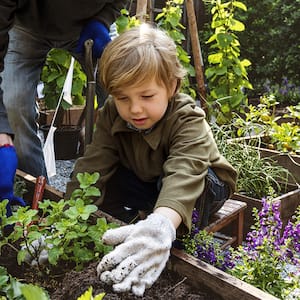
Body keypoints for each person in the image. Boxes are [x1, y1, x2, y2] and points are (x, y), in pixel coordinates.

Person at [65, 23, 237, 296]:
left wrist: (162, 226)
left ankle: (167, 235)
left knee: (193, 186)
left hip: (201, 183)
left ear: (171, 86)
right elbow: (93, 164)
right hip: (148, 178)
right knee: (104, 180)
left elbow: (185, 170)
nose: (134, 108)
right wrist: (65, 223)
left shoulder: (187, 117)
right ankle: (128, 229)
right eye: (122, 97)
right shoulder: (112, 113)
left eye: (146, 96)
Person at [0, 0, 128, 213]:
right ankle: (38, 204)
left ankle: (121, 196)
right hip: (26, 28)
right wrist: (2, 130)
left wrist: (103, 20)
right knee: (13, 105)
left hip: (90, 24)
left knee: (126, 87)